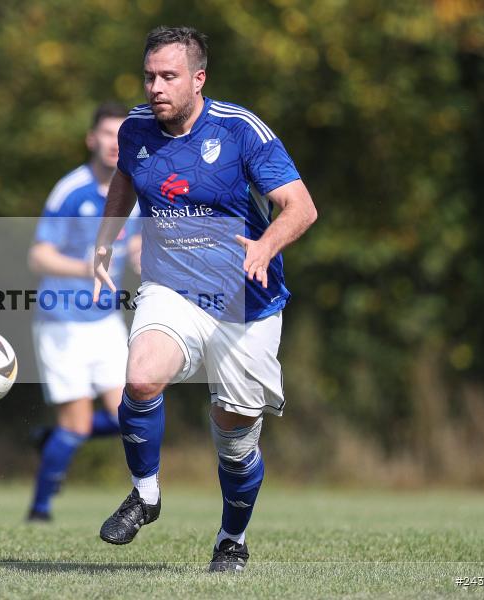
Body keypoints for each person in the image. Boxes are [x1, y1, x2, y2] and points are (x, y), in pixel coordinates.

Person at [92, 27, 317, 572]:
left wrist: (264, 245)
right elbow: (125, 178)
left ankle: (230, 539)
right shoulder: (136, 128)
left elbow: (301, 208)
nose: (155, 86)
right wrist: (105, 239)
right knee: (141, 377)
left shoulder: (240, 131)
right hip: (172, 287)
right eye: (149, 75)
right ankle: (145, 495)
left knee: (235, 439)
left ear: (198, 79)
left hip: (247, 302)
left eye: (168, 76)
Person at [27, 102, 141, 522]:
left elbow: (137, 246)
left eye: (122, 135)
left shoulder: (135, 188)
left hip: (106, 320)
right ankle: (40, 511)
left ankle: (54, 439)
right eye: (108, 134)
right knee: (75, 425)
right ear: (92, 139)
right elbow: (38, 257)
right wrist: (88, 267)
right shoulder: (70, 190)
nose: (116, 143)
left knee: (131, 418)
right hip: (62, 321)